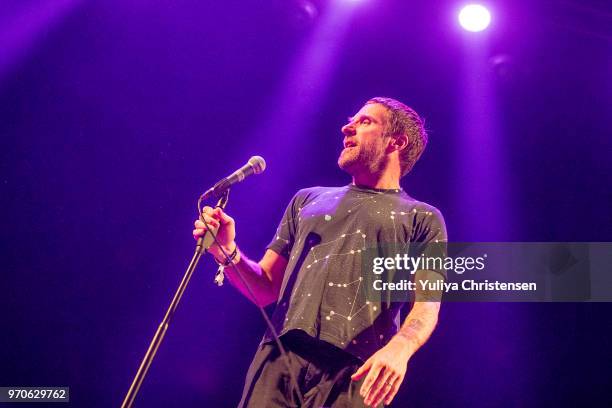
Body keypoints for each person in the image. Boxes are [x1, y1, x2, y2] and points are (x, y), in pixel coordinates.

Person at [193, 97, 447, 407]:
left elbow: (427, 304)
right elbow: (265, 288)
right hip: (279, 358)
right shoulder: (307, 200)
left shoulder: (423, 218)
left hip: (357, 373)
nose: (347, 126)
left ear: (396, 141)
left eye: (365, 121)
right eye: (351, 119)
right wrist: (226, 251)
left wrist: (401, 348)